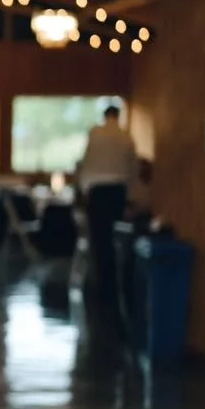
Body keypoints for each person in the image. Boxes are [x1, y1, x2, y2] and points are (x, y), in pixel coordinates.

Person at [78, 104, 137, 301]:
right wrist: (130, 198)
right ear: (118, 116)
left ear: (105, 116)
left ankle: (102, 285)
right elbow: (132, 169)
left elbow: (86, 163)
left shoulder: (95, 134)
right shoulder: (125, 136)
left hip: (97, 192)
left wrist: (84, 191)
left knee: (99, 239)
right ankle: (115, 284)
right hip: (117, 192)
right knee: (116, 238)